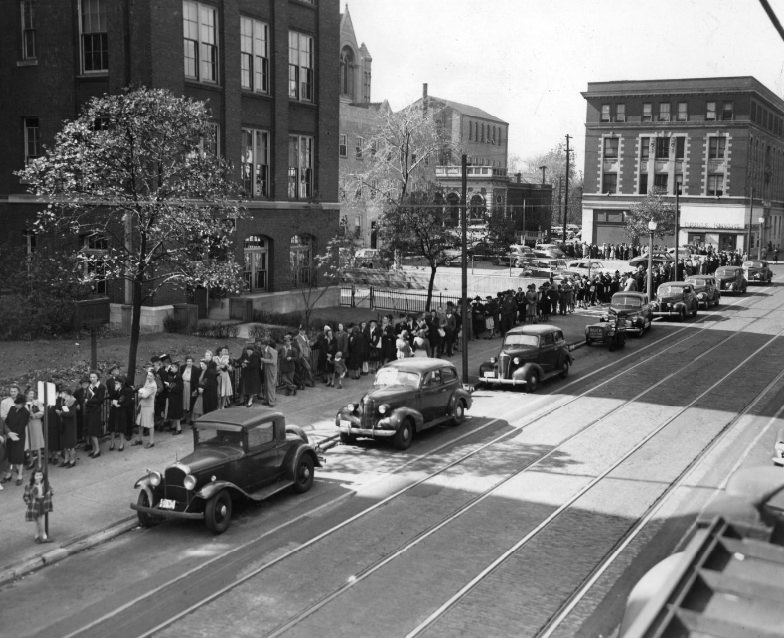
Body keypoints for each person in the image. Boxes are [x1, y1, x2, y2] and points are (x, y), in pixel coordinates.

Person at [24, 470, 54, 544]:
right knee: (39, 521)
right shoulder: (29, 485)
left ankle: (36, 537)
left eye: (40, 475)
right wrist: (30, 503)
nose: (39, 477)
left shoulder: (45, 484)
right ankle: (44, 537)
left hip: (43, 504)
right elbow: (25, 496)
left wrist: (49, 493)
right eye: (37, 475)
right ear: (33, 476)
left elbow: (51, 490)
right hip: (34, 506)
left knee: (38, 522)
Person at [5, 394, 28, 485]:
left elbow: (21, 426)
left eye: (18, 404)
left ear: (22, 404)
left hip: (19, 436)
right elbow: (6, 422)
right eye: (16, 403)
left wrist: (13, 434)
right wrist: (8, 433)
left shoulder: (26, 412)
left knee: (19, 456)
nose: (16, 405)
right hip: (10, 435)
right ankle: (9, 473)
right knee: (9, 455)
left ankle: (20, 475)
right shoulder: (12, 409)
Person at [134, 369, 158, 448]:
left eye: (151, 376)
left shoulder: (153, 385)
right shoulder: (147, 382)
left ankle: (151, 442)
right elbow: (143, 391)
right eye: (148, 375)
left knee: (150, 424)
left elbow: (143, 395)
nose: (149, 377)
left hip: (148, 407)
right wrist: (142, 392)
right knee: (140, 423)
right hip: (143, 405)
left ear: (154, 377)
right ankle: (139, 439)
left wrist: (141, 393)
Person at [84, 371, 105, 458]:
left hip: (95, 411)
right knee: (90, 431)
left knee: (93, 431)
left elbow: (100, 400)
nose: (92, 379)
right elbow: (86, 396)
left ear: (97, 378)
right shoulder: (89, 386)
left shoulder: (101, 387)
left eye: (94, 377)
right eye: (91, 377)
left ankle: (97, 450)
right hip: (89, 410)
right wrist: (86, 399)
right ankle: (93, 449)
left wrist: (88, 401)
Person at [56, 388, 77, 467]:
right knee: (65, 444)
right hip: (64, 424)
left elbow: (71, 414)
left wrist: (61, 413)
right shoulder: (64, 401)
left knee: (70, 444)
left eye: (63, 393)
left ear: (67, 394)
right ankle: (66, 459)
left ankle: (72, 460)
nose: (62, 395)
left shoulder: (73, 401)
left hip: (70, 425)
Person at [25, 387, 45, 470]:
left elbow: (42, 411)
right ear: (26, 394)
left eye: (33, 393)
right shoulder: (23, 403)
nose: (32, 395)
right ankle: (31, 461)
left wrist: (35, 415)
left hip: (36, 423)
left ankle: (40, 463)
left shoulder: (37, 402)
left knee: (37, 443)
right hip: (27, 425)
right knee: (29, 443)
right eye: (30, 393)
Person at [164, 362, 184, 434]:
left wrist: (169, 385)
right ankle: (174, 426)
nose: (171, 368)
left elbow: (178, 388)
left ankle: (179, 429)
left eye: (172, 367)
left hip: (177, 398)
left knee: (177, 413)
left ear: (176, 368)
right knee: (174, 413)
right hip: (173, 397)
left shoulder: (178, 377)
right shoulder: (175, 375)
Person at [260, 338, 278, 406]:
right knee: (266, 386)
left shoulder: (272, 351)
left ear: (265, 345)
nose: (260, 346)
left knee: (271, 386)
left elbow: (274, 361)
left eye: (261, 344)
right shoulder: (264, 350)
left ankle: (271, 401)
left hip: (271, 371)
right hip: (266, 370)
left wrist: (264, 360)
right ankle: (267, 400)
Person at [180, 356, 198, 423]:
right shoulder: (183, 367)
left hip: (191, 386)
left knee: (190, 402)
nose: (189, 363)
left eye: (190, 361)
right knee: (183, 401)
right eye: (188, 361)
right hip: (183, 386)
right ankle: (184, 417)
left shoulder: (195, 369)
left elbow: (196, 381)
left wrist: (195, 389)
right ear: (186, 362)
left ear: (193, 362)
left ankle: (191, 419)